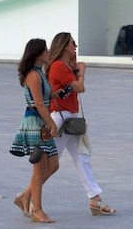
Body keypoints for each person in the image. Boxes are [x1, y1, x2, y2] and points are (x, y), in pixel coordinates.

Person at [47, 32, 116, 216]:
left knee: (82, 157)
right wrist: (82, 72)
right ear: (63, 46)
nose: (75, 46)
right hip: (61, 118)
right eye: (72, 43)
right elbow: (79, 87)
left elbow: (78, 88)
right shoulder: (58, 66)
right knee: (50, 163)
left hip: (72, 118)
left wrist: (76, 70)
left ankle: (95, 198)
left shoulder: (66, 67)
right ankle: (28, 194)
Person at [10, 38, 60, 223]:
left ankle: (25, 196)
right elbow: (38, 103)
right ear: (39, 54)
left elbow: (42, 98)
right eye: (46, 51)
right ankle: (37, 210)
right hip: (36, 124)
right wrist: (52, 124)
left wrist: (56, 94)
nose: (49, 53)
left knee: (53, 165)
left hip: (42, 124)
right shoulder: (34, 74)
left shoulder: (39, 73)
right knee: (39, 168)